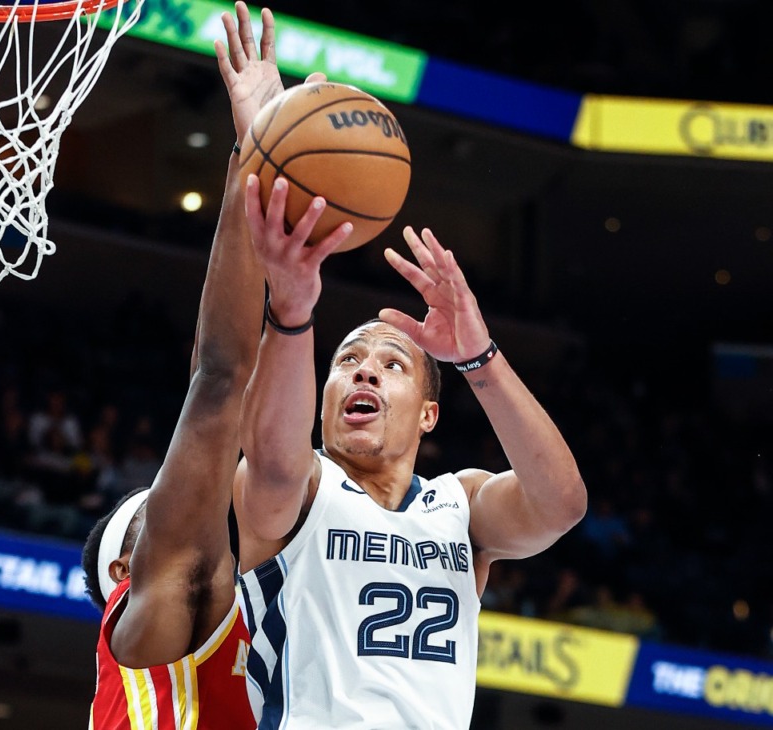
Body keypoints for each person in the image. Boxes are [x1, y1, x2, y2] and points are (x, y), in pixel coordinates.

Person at [80, 5, 351, 729]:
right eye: (163, 514)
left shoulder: (261, 633)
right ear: (123, 574)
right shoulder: (163, 617)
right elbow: (219, 380)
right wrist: (256, 154)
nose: (199, 510)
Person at [233, 197, 588, 728]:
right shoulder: (305, 484)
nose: (365, 372)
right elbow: (272, 462)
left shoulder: (460, 502)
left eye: (392, 364)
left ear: (428, 415)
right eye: (347, 360)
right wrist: (292, 313)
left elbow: (561, 504)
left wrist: (479, 356)